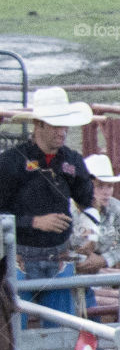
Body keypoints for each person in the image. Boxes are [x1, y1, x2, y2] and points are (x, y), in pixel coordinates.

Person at [0, 87, 94, 319]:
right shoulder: (10, 163)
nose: (62, 132)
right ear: (38, 124)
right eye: (55, 125)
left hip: (59, 257)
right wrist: (34, 222)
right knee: (15, 331)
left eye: (64, 126)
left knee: (62, 333)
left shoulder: (72, 160)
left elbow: (87, 202)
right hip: (18, 258)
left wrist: (91, 233)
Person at [69, 154, 120, 277]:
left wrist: (104, 259)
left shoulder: (115, 208)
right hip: (62, 276)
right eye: (100, 186)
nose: (107, 192)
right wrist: (74, 261)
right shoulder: (68, 208)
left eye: (110, 186)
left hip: (92, 277)